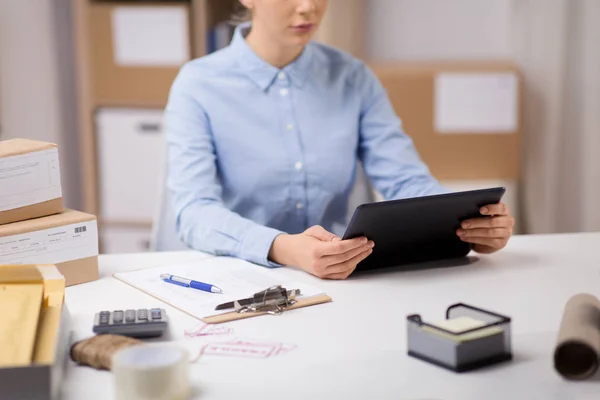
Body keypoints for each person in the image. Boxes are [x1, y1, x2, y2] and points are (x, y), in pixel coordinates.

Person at [164, 0, 515, 280]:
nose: (308, 7)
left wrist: (468, 225)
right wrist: (283, 247)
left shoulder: (353, 77)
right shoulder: (198, 85)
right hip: (241, 281)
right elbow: (194, 211)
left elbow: (405, 179)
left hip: (343, 278)